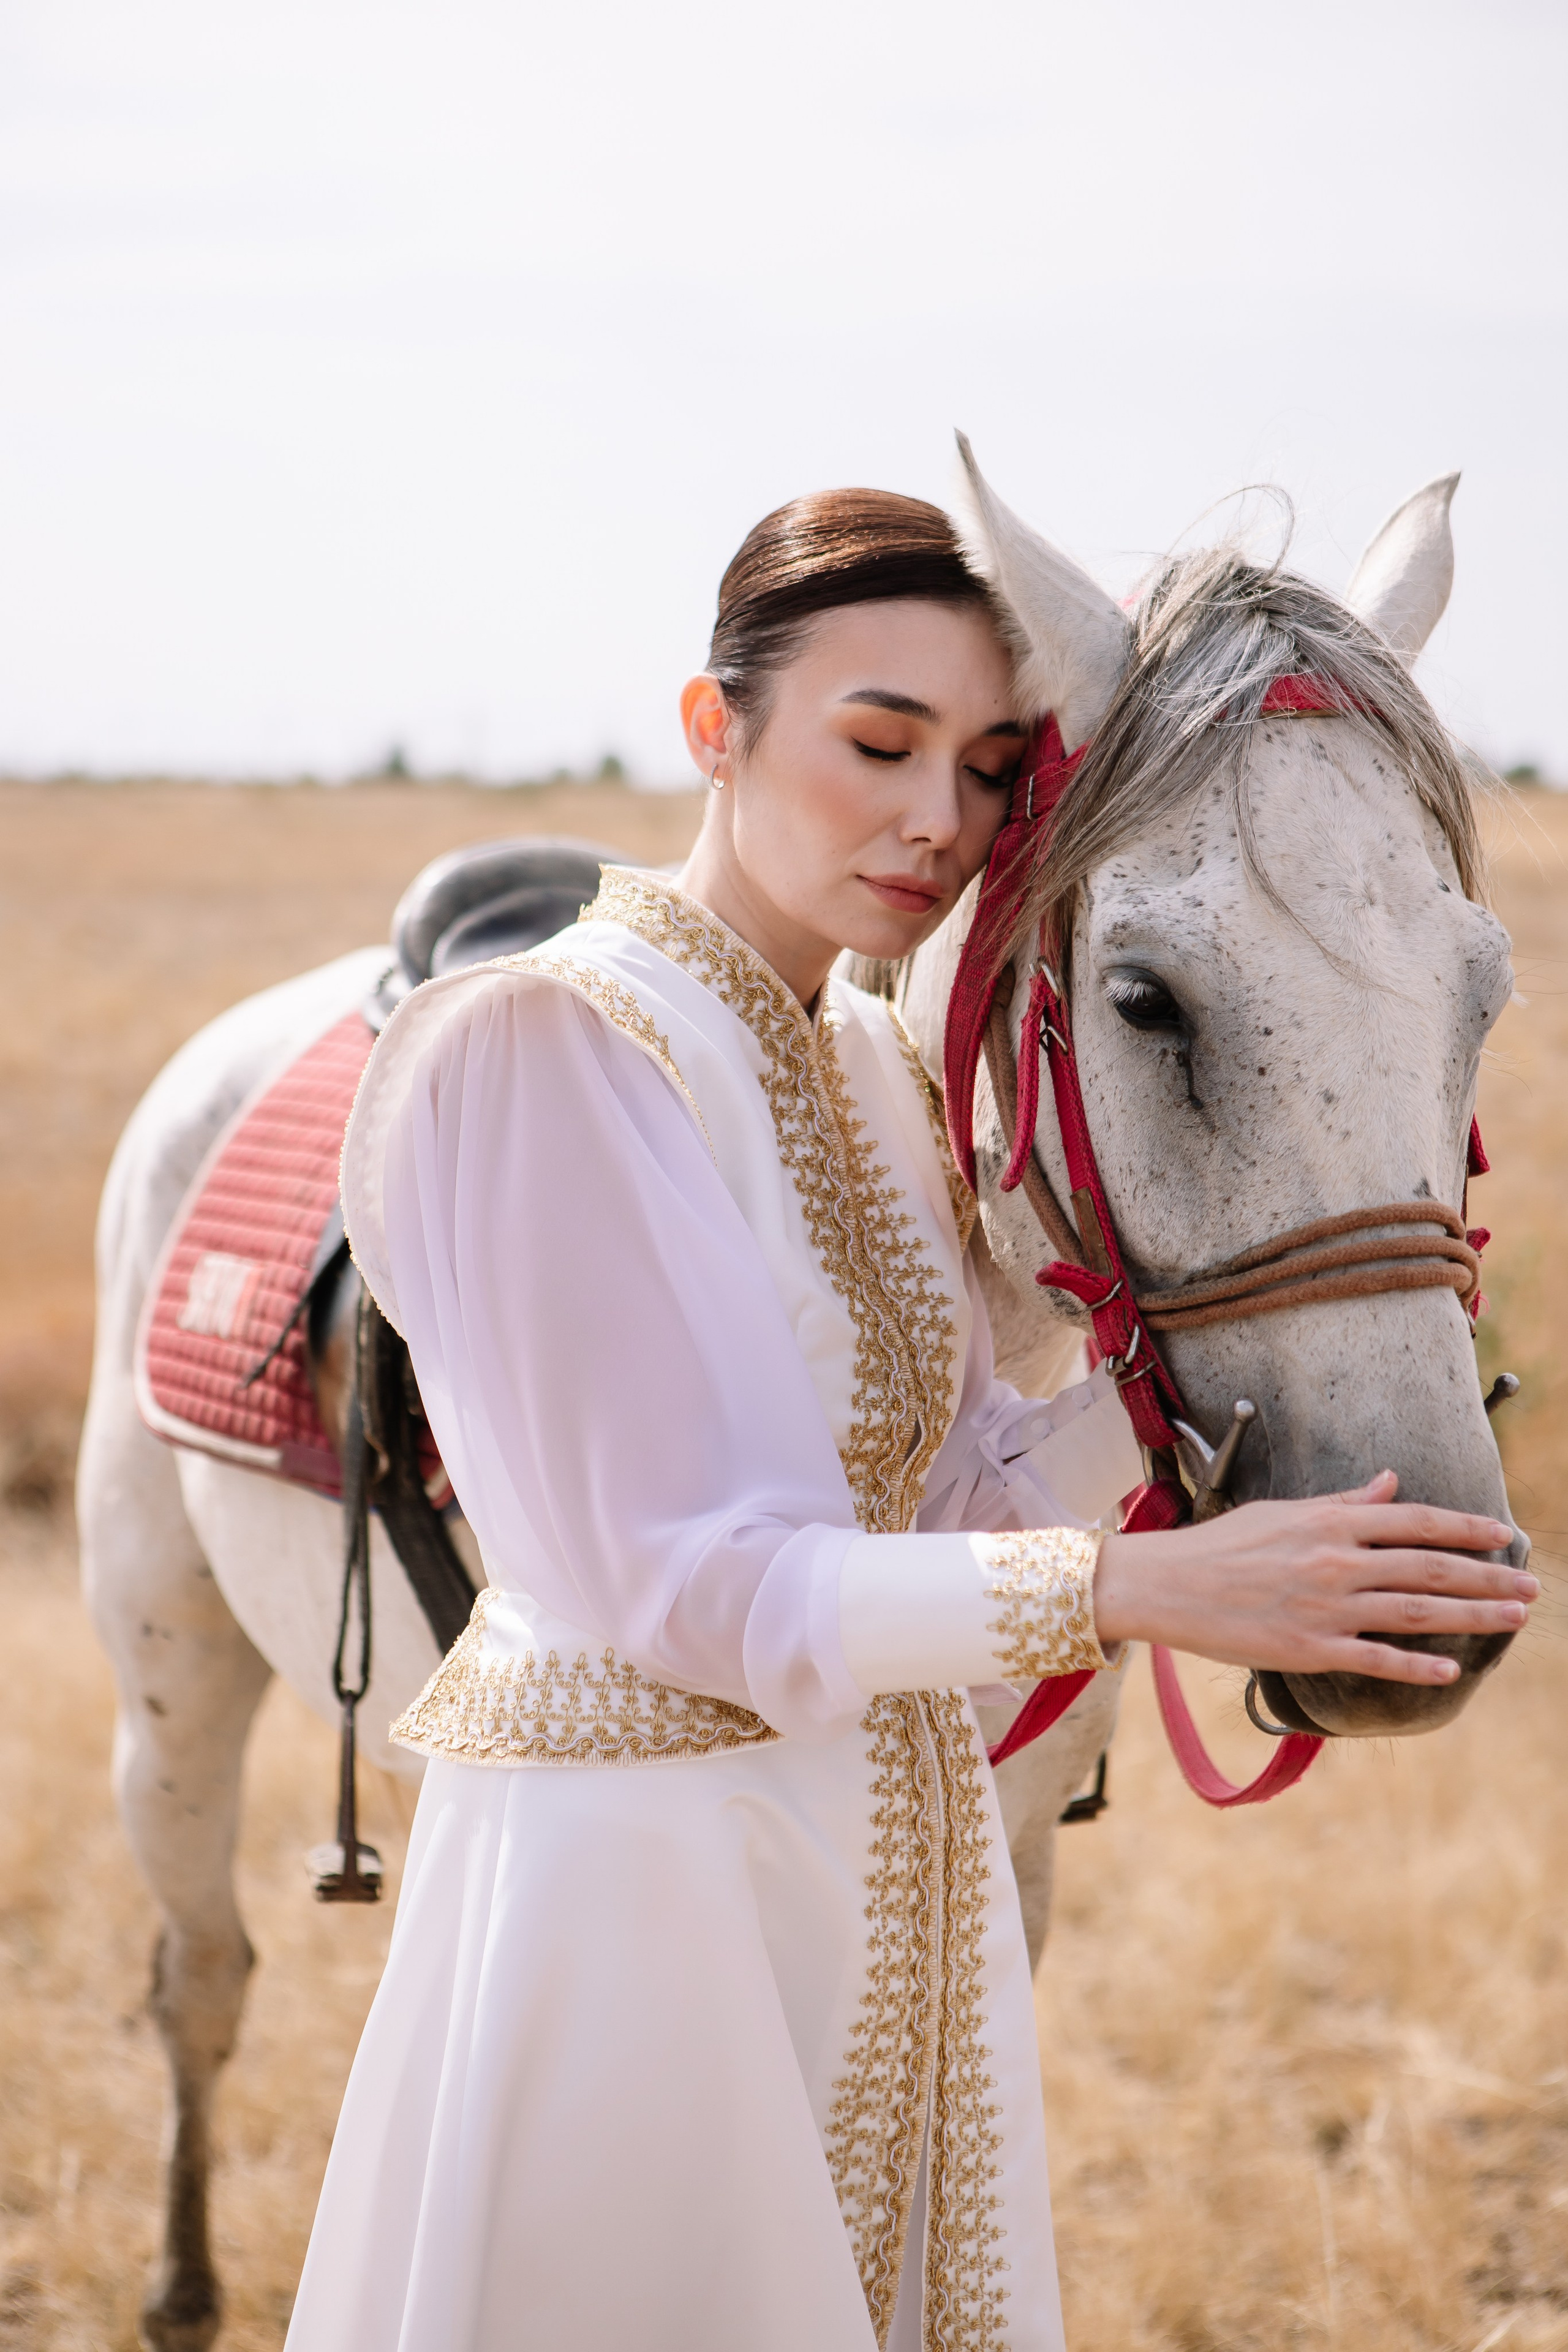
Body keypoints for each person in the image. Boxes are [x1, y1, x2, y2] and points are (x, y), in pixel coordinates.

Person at [287, 489, 1532, 2351]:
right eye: (879, 743)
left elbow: (946, 1498)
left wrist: (1229, 1345)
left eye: (987, 766)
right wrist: (1143, 1595)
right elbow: (696, 1588)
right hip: (635, 1909)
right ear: (717, 729)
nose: (936, 820)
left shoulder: (869, 1070)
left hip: (887, 1879)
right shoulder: (541, 1050)